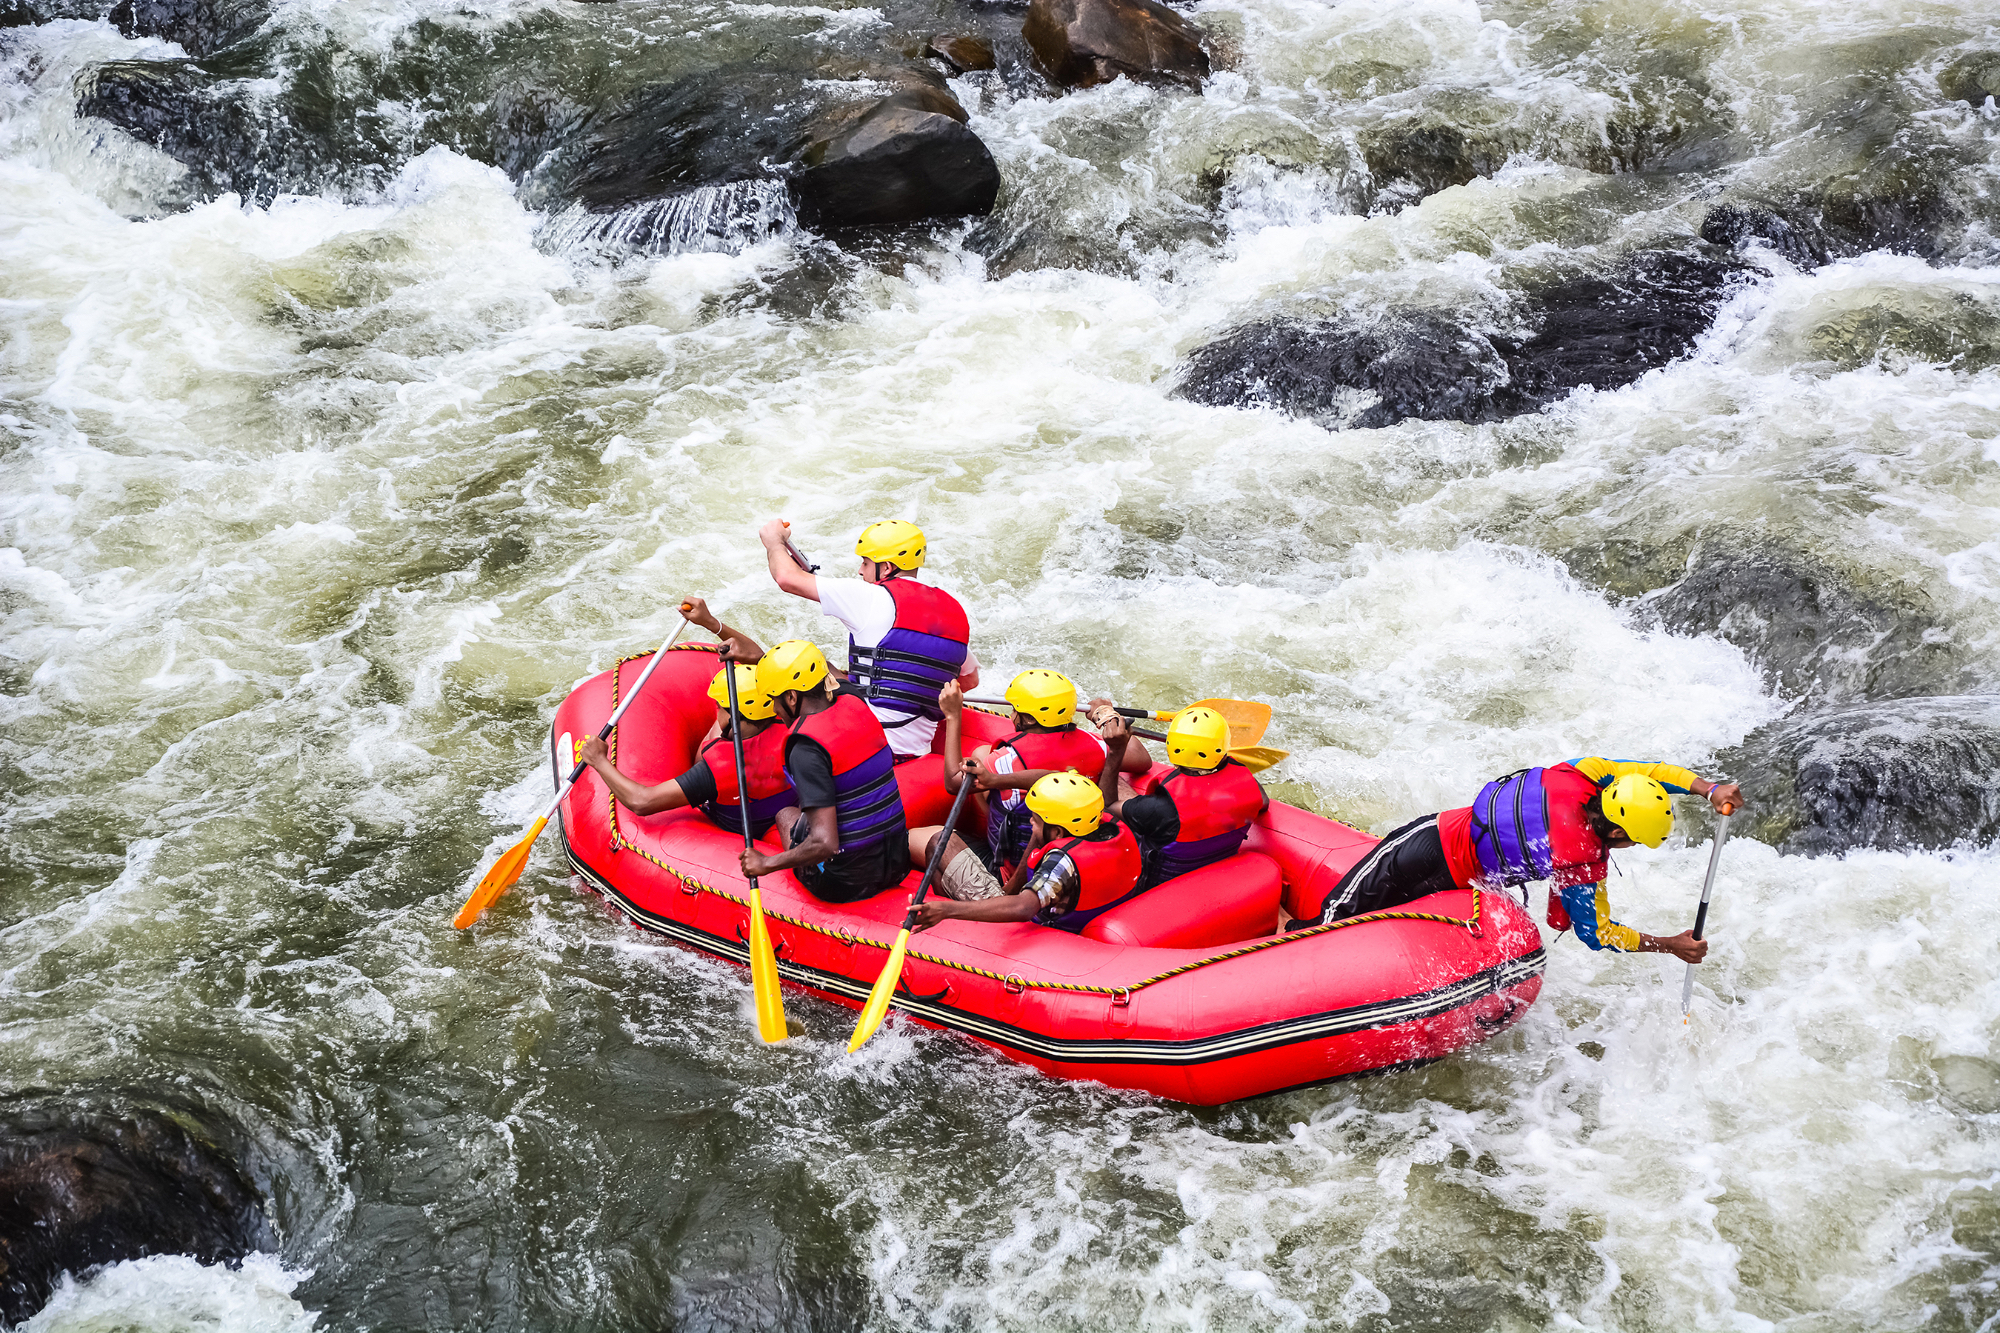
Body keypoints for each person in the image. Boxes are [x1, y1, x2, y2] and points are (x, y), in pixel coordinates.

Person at [1288, 758, 1745, 964]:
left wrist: (1707, 788)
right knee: (1333, 920)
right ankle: (1287, 955)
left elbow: (1646, 770)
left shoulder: (1580, 773)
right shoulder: (1580, 865)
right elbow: (1598, 934)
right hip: (1435, 856)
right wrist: (1669, 944)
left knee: (1347, 916)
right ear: (1618, 831)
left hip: (1444, 858)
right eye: (1633, 843)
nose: (1629, 851)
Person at [757, 518, 979, 760]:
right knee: (837, 674)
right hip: (918, 752)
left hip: (869, 745)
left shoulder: (871, 596)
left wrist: (774, 541)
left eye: (865, 562)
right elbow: (970, 680)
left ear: (885, 568)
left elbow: (787, 578)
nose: (860, 571)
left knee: (811, 665)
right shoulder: (953, 612)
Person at [577, 600, 794, 837]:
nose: (715, 709)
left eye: (720, 706)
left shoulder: (715, 768)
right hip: (778, 811)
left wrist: (598, 760)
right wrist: (712, 623)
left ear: (732, 714)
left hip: (737, 830)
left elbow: (642, 801)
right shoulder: (794, 726)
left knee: (714, 741)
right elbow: (763, 659)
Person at [737, 639, 912, 903]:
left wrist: (767, 863)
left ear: (792, 696)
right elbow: (824, 665)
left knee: (786, 815)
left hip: (845, 882)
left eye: (774, 699)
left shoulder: (806, 749)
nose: (773, 709)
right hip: (898, 863)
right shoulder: (853, 698)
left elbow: (825, 843)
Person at [941, 670, 1151, 876]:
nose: (1012, 715)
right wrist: (1105, 716)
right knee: (981, 753)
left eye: (1015, 709)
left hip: (1017, 870)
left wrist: (953, 715)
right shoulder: (1098, 745)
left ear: (1031, 720)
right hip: (1078, 855)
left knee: (924, 838)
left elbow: (953, 783)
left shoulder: (1004, 761)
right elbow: (1142, 759)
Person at [910, 772, 1144, 934]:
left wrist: (946, 910)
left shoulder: (1062, 863)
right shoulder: (1111, 828)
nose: (1030, 821)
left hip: (1031, 930)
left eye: (1035, 820)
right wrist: (1040, 831)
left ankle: (947, 922)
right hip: (1082, 913)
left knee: (940, 843)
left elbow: (1024, 907)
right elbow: (1051, 778)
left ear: (1058, 832)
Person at [1103, 705, 1269, 889]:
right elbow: (1263, 802)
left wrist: (1115, 752)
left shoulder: (1159, 809)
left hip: (1161, 890)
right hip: (1213, 870)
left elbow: (1108, 804)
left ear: (1171, 746)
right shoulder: (1250, 789)